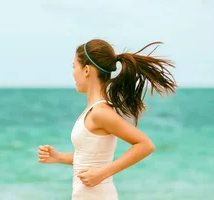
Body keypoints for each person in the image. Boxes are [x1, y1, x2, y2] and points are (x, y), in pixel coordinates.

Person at [37, 39, 177, 200]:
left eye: (74, 66)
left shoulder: (100, 113)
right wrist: (58, 157)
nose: (73, 72)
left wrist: (102, 174)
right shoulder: (92, 111)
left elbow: (145, 145)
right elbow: (90, 159)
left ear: (87, 70)